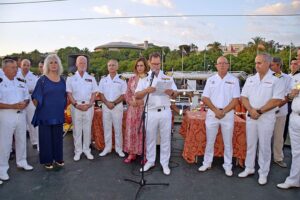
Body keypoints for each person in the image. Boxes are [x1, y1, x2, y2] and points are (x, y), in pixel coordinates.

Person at [238, 53, 285, 185]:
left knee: (264, 146)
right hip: (251, 116)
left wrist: (259, 111)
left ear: (268, 63)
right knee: (251, 144)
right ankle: (249, 168)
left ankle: (263, 173)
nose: (256, 65)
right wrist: (251, 111)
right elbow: (244, 97)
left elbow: (276, 100)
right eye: (256, 63)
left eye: (259, 63)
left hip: (266, 118)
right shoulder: (251, 79)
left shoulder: (277, 79)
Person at [135, 52, 178, 175]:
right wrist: (146, 90)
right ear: (149, 63)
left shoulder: (167, 77)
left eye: (158, 64)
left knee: (165, 138)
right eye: (153, 64)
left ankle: (165, 163)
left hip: (165, 111)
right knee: (150, 139)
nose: (156, 66)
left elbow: (176, 93)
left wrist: (172, 93)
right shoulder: (144, 79)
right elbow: (137, 95)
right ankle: (150, 161)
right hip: (151, 111)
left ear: (161, 63)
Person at [198, 56, 240, 176]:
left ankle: (228, 165)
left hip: (227, 114)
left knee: (228, 142)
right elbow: (205, 98)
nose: (222, 65)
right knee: (210, 141)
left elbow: (236, 99)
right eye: (219, 63)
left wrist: (223, 111)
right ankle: (207, 162)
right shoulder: (211, 80)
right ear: (216, 66)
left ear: (228, 65)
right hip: (212, 114)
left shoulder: (234, 80)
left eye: (224, 63)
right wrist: (216, 111)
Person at [0, 58, 33, 182]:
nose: (16, 70)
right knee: (5, 143)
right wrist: (12, 106)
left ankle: (22, 161)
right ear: (4, 69)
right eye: (12, 68)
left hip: (21, 115)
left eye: (16, 67)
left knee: (21, 139)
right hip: (6, 115)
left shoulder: (20, 81)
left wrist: (25, 102)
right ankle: (2, 168)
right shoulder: (0, 83)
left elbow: (27, 97)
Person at [31, 54, 66, 169]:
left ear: (59, 64)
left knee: (57, 137)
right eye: (51, 62)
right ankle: (47, 160)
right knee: (45, 138)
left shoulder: (62, 80)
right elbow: (35, 98)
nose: (53, 64)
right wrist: (41, 110)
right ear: (47, 65)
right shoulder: (42, 80)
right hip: (45, 114)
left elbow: (64, 96)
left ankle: (58, 158)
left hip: (58, 113)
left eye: (55, 62)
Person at [66, 56, 97, 161]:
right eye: (80, 63)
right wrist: (75, 105)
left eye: (84, 63)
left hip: (89, 106)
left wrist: (90, 104)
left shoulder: (91, 77)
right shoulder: (70, 78)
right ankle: (78, 151)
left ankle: (87, 150)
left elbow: (94, 93)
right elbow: (69, 93)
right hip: (76, 106)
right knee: (77, 130)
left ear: (87, 64)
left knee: (87, 129)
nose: (83, 65)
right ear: (76, 64)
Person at [98, 59, 127, 158]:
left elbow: (124, 95)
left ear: (117, 67)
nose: (111, 67)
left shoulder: (122, 80)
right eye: (109, 65)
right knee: (107, 128)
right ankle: (107, 148)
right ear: (107, 67)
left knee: (118, 129)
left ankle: (119, 149)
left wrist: (113, 103)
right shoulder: (103, 80)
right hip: (106, 107)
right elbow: (101, 94)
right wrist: (107, 103)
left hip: (117, 107)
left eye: (113, 65)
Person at [277, 70, 300, 189]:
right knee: (296, 152)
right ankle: (294, 179)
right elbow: (289, 96)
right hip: (295, 116)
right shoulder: (296, 77)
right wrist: (292, 94)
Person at [123, 58, 149, 163]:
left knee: (143, 131)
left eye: (141, 65)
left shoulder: (149, 78)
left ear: (145, 67)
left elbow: (150, 93)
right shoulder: (132, 79)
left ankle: (145, 155)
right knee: (131, 130)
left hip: (144, 108)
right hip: (132, 110)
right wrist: (130, 102)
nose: (139, 68)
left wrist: (141, 102)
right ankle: (132, 153)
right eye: (137, 66)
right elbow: (127, 93)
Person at [270, 57, 291, 168]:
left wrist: (273, 107)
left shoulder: (287, 78)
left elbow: (286, 97)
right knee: (264, 136)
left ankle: (278, 158)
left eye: (272, 65)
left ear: (279, 65)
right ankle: (262, 157)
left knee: (278, 137)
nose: (270, 67)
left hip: (280, 112)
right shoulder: (266, 76)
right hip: (265, 112)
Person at [17, 59, 39, 150]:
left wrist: (29, 91)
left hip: (31, 101)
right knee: (20, 123)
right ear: (20, 65)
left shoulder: (33, 76)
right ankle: (21, 145)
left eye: (28, 65)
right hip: (19, 102)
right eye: (24, 65)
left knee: (32, 122)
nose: (26, 67)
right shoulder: (16, 75)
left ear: (30, 66)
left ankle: (35, 141)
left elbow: (37, 89)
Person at [283, 58, 300, 143]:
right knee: (284, 127)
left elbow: (296, 90)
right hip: (285, 103)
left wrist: (292, 94)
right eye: (292, 64)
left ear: (298, 65)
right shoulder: (287, 76)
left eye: (295, 64)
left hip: (294, 103)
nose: (293, 65)